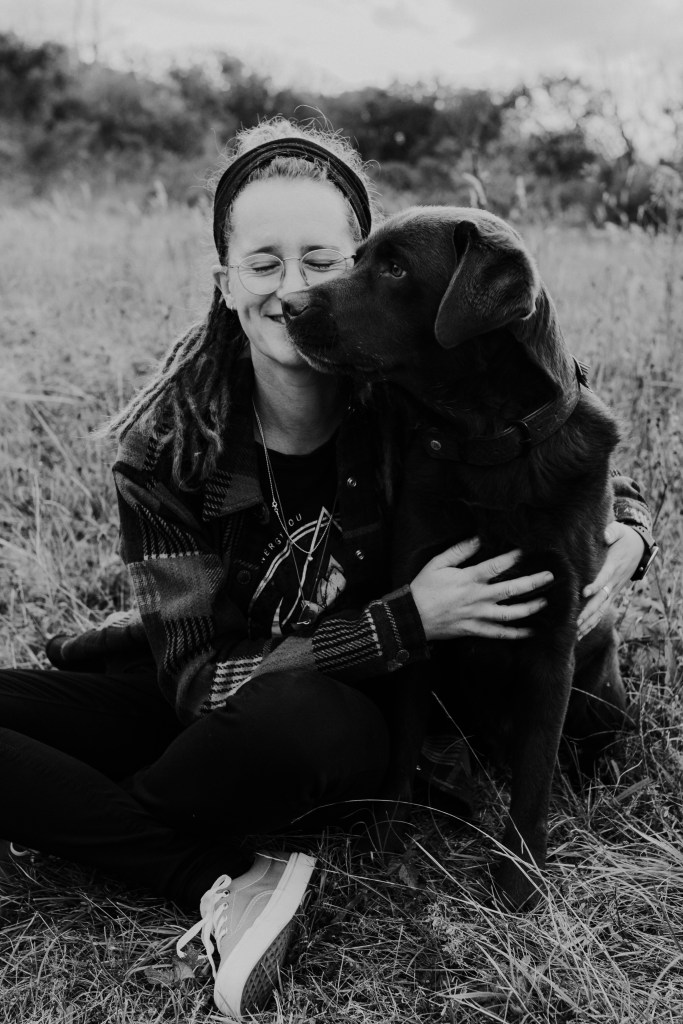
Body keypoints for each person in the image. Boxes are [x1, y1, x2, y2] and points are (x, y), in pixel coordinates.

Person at [0, 118, 656, 1020]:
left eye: (320, 259)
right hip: (217, 688)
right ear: (225, 281)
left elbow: (555, 433)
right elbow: (195, 683)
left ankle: (123, 836)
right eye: (262, 263)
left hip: (330, 718)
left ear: (361, 264)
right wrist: (405, 618)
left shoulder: (413, 381)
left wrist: (632, 532)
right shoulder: (169, 447)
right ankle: (218, 867)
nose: (293, 288)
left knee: (289, 718)